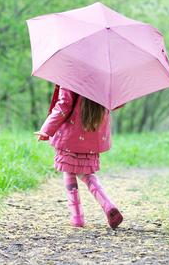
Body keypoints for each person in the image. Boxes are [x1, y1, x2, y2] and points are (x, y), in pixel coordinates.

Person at [35, 85, 123, 229]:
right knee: (87, 174)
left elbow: (64, 104)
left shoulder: (70, 74)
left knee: (69, 171)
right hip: (92, 134)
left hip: (71, 134)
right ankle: (108, 205)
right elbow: (115, 102)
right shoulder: (104, 76)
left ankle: (77, 217)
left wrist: (47, 129)